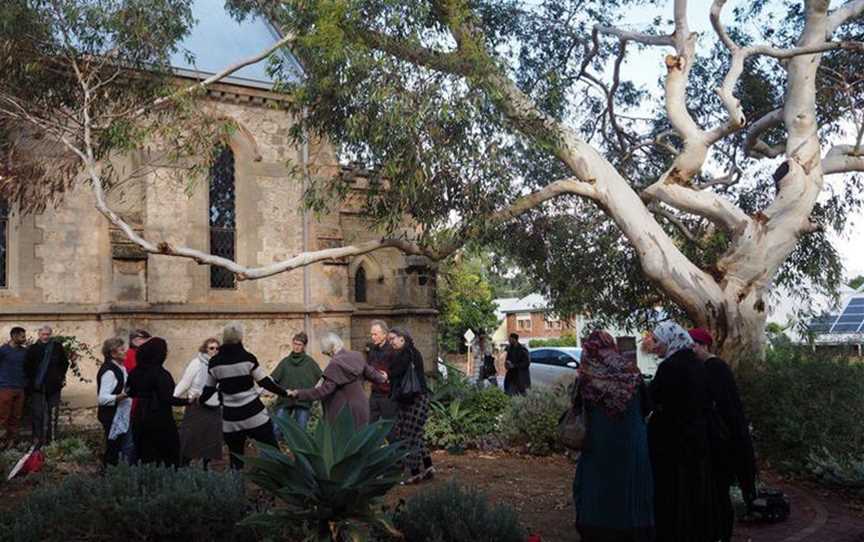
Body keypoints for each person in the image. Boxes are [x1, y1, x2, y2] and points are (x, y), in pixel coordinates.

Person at [573, 330, 654, 542]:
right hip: (631, 443)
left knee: (598, 492)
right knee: (630, 489)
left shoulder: (586, 377)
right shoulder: (631, 371)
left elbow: (576, 410)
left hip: (599, 444)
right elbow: (647, 406)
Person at [645, 321, 719, 542]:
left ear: (670, 340)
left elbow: (654, 397)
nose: (655, 346)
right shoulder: (696, 364)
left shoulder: (670, 366)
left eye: (658, 340)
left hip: (670, 440)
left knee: (670, 492)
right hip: (696, 437)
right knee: (693, 489)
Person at [689, 328, 757, 542]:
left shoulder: (715, 367)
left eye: (692, 345)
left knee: (719, 492)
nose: (690, 349)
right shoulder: (707, 367)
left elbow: (724, 406)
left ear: (703, 345)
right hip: (720, 438)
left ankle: (721, 533)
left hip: (723, 441)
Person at [199, 322, 287, 470]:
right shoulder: (248, 358)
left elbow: (208, 391)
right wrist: (285, 392)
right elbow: (264, 382)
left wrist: (202, 401)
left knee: (236, 460)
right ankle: (280, 487)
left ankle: (237, 489)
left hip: (231, 420)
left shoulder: (214, 363)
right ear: (240, 337)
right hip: (255, 416)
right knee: (273, 452)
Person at [288, 332, 387, 429]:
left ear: (330, 350)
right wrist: (383, 377)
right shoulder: (357, 355)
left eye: (327, 353)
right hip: (362, 406)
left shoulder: (334, 365)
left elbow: (323, 391)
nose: (328, 356)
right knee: (360, 442)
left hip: (343, 413)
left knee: (345, 444)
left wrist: (298, 393)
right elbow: (373, 375)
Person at [126, 337, 192, 467]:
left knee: (145, 454)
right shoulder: (161, 374)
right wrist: (188, 401)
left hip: (140, 415)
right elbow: (168, 399)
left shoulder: (135, 372)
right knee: (167, 453)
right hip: (159, 417)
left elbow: (130, 392)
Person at [387, 327, 434, 484]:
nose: (390, 342)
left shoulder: (406, 354)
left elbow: (394, 372)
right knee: (416, 435)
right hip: (413, 399)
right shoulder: (411, 352)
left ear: (402, 339)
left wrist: (385, 373)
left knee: (409, 436)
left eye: (392, 339)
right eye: (389, 339)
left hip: (415, 399)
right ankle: (428, 467)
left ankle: (414, 474)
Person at [174, 337, 223, 468]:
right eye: (211, 348)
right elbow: (185, 382)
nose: (215, 351)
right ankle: (183, 467)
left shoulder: (219, 365)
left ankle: (205, 469)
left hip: (214, 407)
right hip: (196, 405)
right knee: (189, 439)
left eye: (217, 348)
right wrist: (172, 398)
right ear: (205, 349)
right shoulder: (196, 363)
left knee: (210, 441)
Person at [24, 325, 69, 445]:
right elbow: (27, 368)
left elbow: (64, 363)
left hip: (54, 386)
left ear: (51, 335)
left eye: (48, 334)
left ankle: (52, 440)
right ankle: (37, 440)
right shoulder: (33, 349)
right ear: (39, 334)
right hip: (37, 387)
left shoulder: (57, 347)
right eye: (43, 334)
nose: (45, 337)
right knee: (37, 414)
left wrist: (59, 377)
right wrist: (32, 383)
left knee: (53, 414)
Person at [270, 332, 322, 434]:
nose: (296, 347)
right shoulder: (285, 362)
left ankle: (298, 450)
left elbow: (321, 379)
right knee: (276, 429)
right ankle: (272, 450)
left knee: (301, 433)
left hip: (303, 401)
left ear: (304, 346)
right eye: (295, 343)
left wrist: (313, 394)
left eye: (299, 344)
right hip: (285, 400)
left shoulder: (309, 362)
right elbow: (273, 379)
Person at [97, 338, 132, 467]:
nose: (125, 351)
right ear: (113, 353)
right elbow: (102, 398)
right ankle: (110, 474)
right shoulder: (109, 372)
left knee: (122, 447)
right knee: (113, 448)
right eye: (122, 349)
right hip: (112, 416)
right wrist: (122, 396)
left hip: (121, 413)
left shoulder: (120, 368)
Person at [366, 320, 397, 439]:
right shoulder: (373, 350)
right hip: (375, 393)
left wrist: (387, 377)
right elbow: (368, 367)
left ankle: (395, 456)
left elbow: (396, 371)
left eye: (375, 334)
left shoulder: (392, 351)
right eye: (372, 334)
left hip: (388, 395)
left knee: (390, 430)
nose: (373, 337)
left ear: (384, 334)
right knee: (369, 426)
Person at [0, 327, 28, 450]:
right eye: (22, 336)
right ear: (14, 336)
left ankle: (12, 443)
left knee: (16, 417)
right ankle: (2, 442)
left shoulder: (24, 352)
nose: (24, 339)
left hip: (20, 389)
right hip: (5, 388)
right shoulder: (3, 351)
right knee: (3, 417)